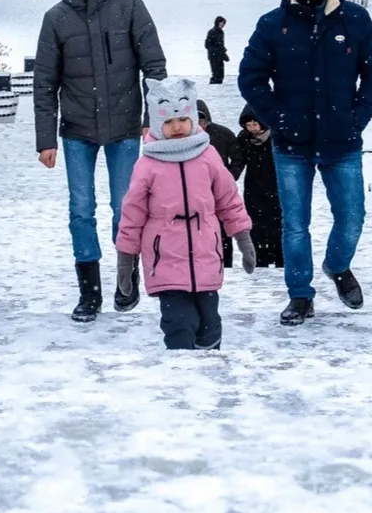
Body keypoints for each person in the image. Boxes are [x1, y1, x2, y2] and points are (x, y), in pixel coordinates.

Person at [238, 0, 372, 326]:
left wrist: (357, 117)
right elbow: (251, 78)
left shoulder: (354, 20)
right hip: (292, 144)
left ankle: (338, 267)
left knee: (352, 217)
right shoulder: (273, 25)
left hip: (342, 141)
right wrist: (278, 118)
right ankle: (300, 295)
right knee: (294, 224)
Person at [34, 0, 167, 322]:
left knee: (124, 208)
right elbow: (45, 83)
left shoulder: (129, 6)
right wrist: (46, 139)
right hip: (76, 131)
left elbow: (154, 67)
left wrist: (152, 120)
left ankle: (126, 280)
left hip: (125, 127)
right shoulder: (55, 18)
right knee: (81, 209)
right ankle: (89, 292)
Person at [114, 79, 254, 349]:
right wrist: (126, 259)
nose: (176, 127)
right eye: (168, 122)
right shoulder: (148, 164)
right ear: (156, 124)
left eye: (182, 120)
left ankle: (209, 372)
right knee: (179, 322)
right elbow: (132, 215)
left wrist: (242, 236)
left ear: (193, 119)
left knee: (209, 324)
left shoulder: (208, 155)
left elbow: (228, 199)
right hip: (165, 256)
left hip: (206, 253)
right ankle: (181, 372)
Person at [234, 107, 284, 269]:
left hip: (277, 186)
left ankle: (280, 259)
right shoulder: (244, 138)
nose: (253, 128)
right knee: (255, 224)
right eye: (249, 125)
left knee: (277, 223)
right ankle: (260, 259)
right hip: (253, 186)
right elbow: (239, 161)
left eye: (255, 123)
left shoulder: (276, 136)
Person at [196, 99, 242, 267]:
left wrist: (229, 178)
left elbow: (238, 158)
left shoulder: (222, 134)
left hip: (220, 190)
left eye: (201, 119)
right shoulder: (183, 139)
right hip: (196, 191)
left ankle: (226, 261)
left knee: (223, 225)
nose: (198, 123)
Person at [204, 16, 228, 84]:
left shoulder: (221, 32)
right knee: (216, 74)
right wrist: (215, 51)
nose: (222, 24)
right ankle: (213, 90)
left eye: (224, 23)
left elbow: (221, 45)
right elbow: (207, 44)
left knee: (221, 75)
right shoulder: (212, 31)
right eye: (221, 22)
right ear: (217, 22)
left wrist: (224, 54)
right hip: (213, 56)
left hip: (220, 56)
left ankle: (218, 90)